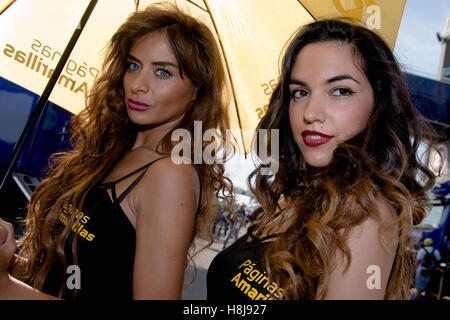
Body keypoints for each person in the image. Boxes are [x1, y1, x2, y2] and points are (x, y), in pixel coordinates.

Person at [0, 3, 233, 300]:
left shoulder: (169, 174)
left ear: (196, 91)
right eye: (134, 66)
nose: (138, 84)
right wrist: (8, 263)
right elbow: (68, 281)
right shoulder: (109, 150)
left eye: (162, 72)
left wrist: (6, 289)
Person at [207, 19, 438, 300]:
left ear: (379, 104)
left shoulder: (365, 214)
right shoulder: (294, 196)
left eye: (340, 91)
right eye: (300, 92)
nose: (311, 112)